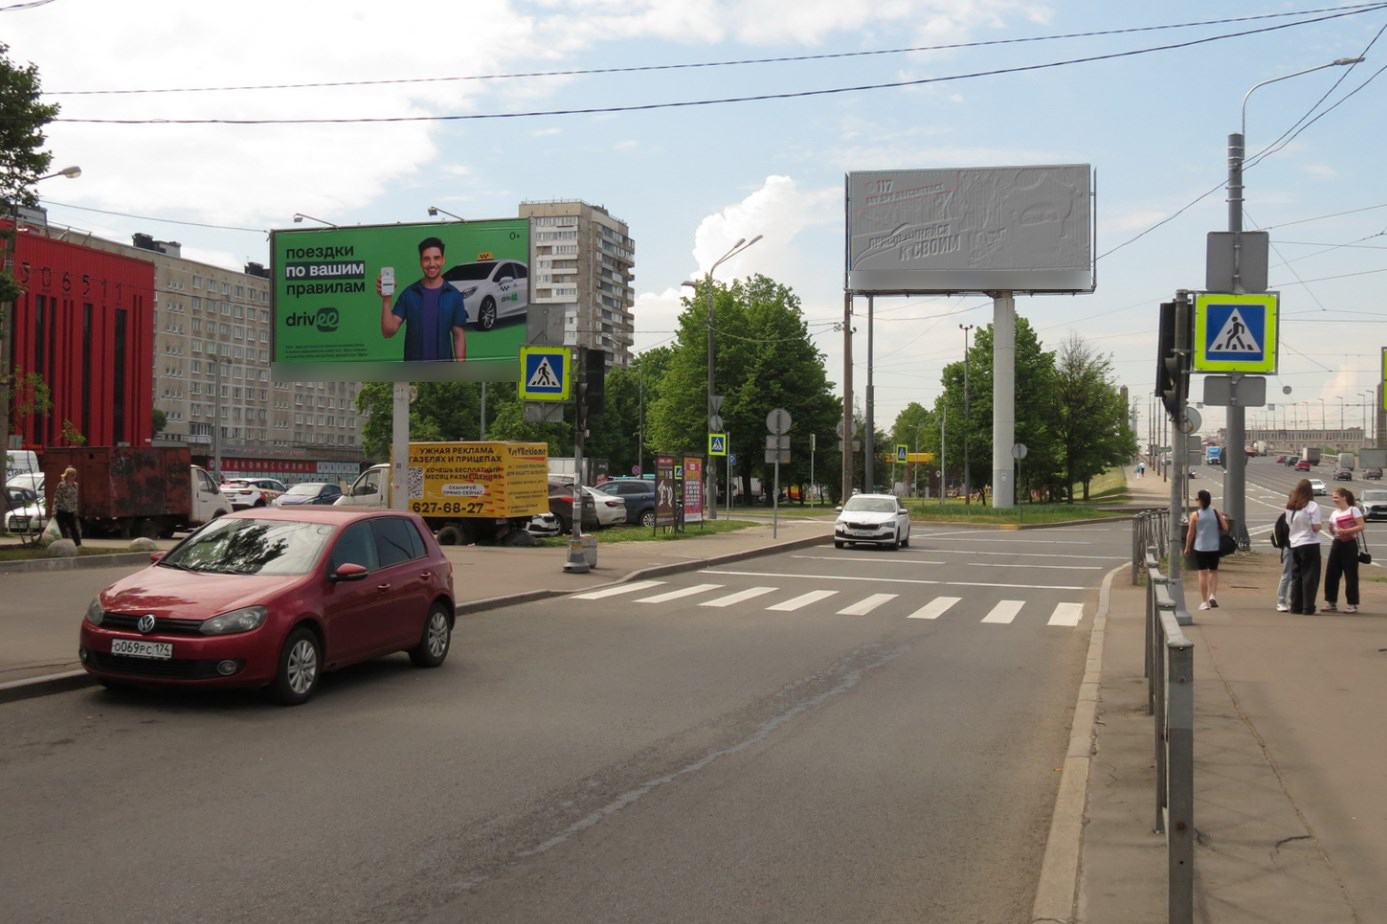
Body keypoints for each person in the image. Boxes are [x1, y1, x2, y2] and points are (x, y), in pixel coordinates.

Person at [378, 236, 468, 362]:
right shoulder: (408, 294)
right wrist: (386, 299)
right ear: (420, 262)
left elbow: (458, 337)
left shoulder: (454, 295)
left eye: (436, 258)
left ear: (443, 260)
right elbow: (388, 332)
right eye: (426, 259)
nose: (432, 264)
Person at [1322, 486, 1366, 613]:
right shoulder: (1334, 513)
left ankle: (1352, 604)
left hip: (1350, 544)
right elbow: (1332, 530)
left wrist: (1346, 530)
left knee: (1350, 574)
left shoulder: (1353, 510)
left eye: (1336, 497)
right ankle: (1331, 602)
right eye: (1333, 497)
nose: (1334, 499)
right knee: (1331, 573)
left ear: (1344, 497)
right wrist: (1331, 529)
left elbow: (1361, 526)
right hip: (1337, 542)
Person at [1183, 489, 1228, 610]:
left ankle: (1204, 602)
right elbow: (1225, 527)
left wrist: (1187, 547)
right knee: (1213, 572)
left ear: (1201, 501)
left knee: (1202, 573)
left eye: (1197, 499)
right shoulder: (1215, 512)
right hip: (1214, 547)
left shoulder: (1195, 515)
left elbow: (1190, 533)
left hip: (1200, 547)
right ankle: (1213, 595)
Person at [1285, 478, 1323, 615]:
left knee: (1297, 575)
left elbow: (1288, 524)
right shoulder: (1312, 505)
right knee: (1310, 576)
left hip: (1295, 542)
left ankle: (1295, 605)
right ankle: (1308, 606)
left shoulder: (1290, 506)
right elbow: (1316, 526)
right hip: (1309, 542)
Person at [51, 465, 82, 547]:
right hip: (62, 509)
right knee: (61, 528)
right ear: (67, 475)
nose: (73, 477)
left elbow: (75, 498)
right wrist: (54, 510)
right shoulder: (61, 485)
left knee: (74, 528)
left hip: (71, 510)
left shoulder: (75, 485)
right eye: (72, 475)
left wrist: (76, 510)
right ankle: (61, 544)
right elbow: (57, 497)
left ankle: (78, 544)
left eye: (74, 475)